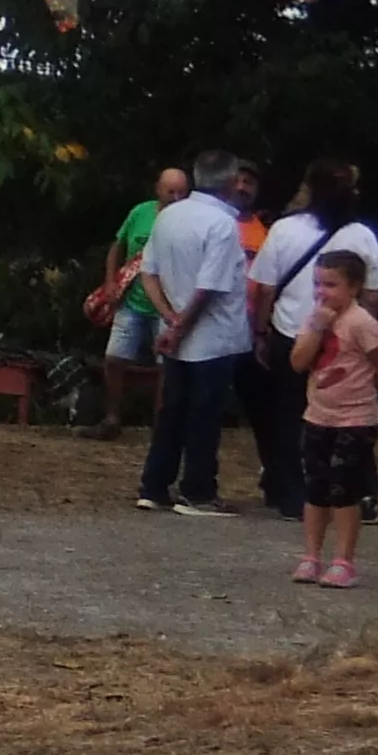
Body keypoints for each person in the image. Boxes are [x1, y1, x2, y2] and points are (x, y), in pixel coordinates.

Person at [253, 161, 378, 512]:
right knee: (350, 417)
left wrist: (260, 331)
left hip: (291, 332)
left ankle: (292, 495)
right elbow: (373, 295)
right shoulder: (362, 235)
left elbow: (264, 288)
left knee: (290, 414)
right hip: (345, 340)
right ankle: (361, 496)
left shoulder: (283, 230)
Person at [132, 149, 256, 514]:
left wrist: (169, 317)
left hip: (178, 330)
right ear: (232, 182)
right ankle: (198, 489)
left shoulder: (170, 215)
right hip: (213, 336)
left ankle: (155, 484)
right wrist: (182, 324)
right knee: (204, 414)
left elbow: (148, 271)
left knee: (172, 411)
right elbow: (210, 287)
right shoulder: (221, 225)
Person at [288, 249, 378, 590]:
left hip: (355, 418)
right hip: (317, 415)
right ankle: (311, 556)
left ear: (355, 287)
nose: (322, 291)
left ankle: (344, 560)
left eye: (331, 285)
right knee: (315, 487)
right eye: (318, 283)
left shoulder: (362, 323)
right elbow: (298, 362)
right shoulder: (315, 319)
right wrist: (317, 328)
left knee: (343, 488)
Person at [90, 169, 187, 436]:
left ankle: (162, 424)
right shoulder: (140, 212)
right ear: (158, 189)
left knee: (165, 365)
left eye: (181, 192)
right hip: (133, 298)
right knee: (114, 358)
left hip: (168, 303)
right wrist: (110, 281)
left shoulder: (188, 220)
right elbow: (116, 246)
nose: (176, 197)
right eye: (171, 191)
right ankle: (111, 419)